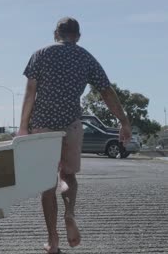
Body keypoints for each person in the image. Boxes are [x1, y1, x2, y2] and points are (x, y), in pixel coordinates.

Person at [18, 17, 132, 254]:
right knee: (68, 175)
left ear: (55, 34)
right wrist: (123, 121)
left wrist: (23, 127)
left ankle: (53, 241)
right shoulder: (85, 57)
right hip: (71, 124)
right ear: (77, 36)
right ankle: (69, 214)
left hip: (43, 125)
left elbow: (30, 93)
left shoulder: (40, 54)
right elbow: (107, 92)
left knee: (46, 184)